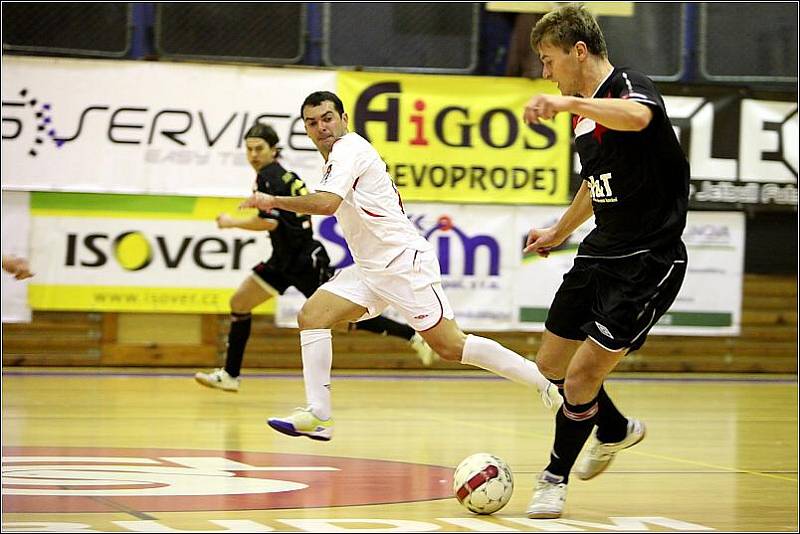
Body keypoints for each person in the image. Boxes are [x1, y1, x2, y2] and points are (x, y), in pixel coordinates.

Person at [240, 91, 562, 442]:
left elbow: (327, 204)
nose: (322, 127)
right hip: (369, 270)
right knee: (313, 315)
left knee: (451, 346)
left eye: (328, 118)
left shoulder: (349, 149)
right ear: (306, 128)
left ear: (344, 119)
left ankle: (543, 383)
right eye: (313, 122)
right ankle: (319, 415)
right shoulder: (336, 158)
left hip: (402, 265)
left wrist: (272, 201)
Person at [521, 5, 689, 518]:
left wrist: (566, 100)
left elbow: (639, 118)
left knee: (578, 380)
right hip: (600, 251)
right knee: (550, 366)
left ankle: (553, 477)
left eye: (548, 60)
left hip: (648, 259)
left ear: (578, 51)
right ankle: (614, 428)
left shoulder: (628, 87)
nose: (545, 72)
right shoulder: (583, 117)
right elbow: (596, 187)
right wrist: (558, 230)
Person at [195, 122, 439, 393]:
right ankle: (230, 374)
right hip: (281, 261)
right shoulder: (274, 175)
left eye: (259, 149)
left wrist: (231, 223)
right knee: (240, 302)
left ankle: (413, 335)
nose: (253, 155)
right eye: (249, 149)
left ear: (274, 150)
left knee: (343, 319)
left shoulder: (271, 176)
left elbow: (271, 223)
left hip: (304, 262)